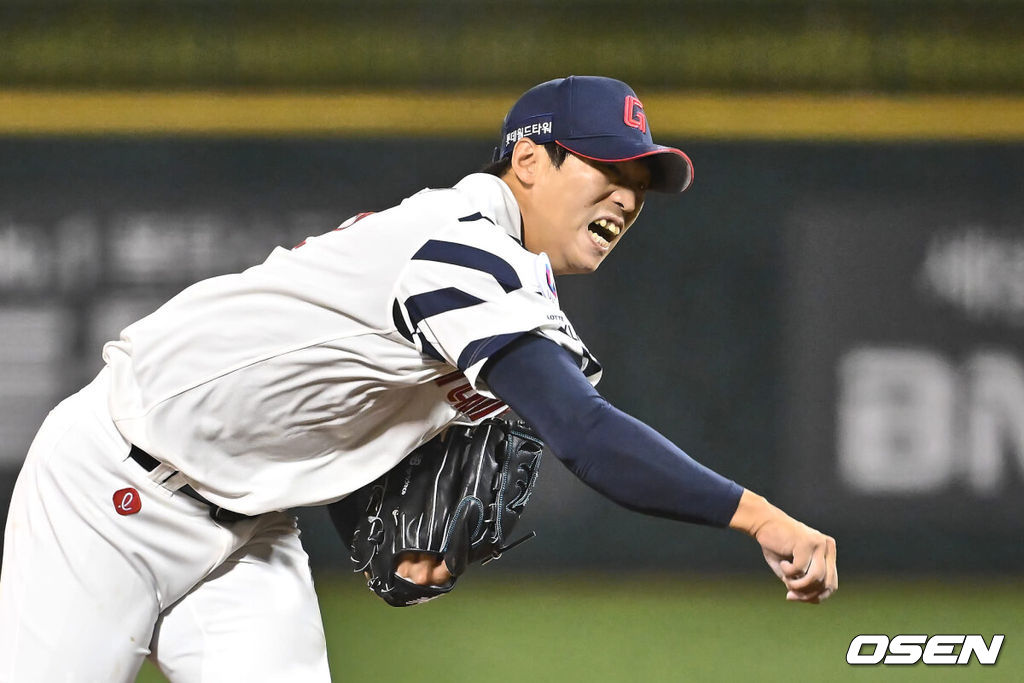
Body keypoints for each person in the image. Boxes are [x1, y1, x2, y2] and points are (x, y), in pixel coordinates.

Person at [0, 76, 837, 682]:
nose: (627, 197)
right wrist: (758, 517)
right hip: (109, 490)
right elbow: (586, 435)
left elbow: (317, 394)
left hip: (248, 529)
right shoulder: (460, 247)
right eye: (608, 171)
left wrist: (387, 521)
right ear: (530, 161)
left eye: (641, 184)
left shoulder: (517, 287)